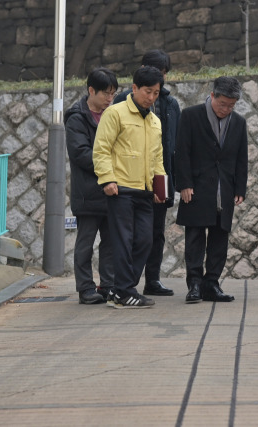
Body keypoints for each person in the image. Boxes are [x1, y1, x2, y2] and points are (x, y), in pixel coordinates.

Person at [93, 66, 166, 308]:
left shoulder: (155, 121)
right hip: (121, 189)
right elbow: (101, 149)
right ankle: (124, 291)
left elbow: (157, 158)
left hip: (145, 191)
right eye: (148, 91)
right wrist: (107, 179)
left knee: (145, 240)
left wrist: (160, 188)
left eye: (156, 93)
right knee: (123, 242)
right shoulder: (115, 113)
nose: (152, 97)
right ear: (134, 88)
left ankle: (121, 289)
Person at [175, 77, 248, 303]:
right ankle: (194, 284)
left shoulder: (238, 123)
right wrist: (184, 184)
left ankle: (212, 283)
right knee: (195, 237)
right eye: (223, 104)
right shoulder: (190, 116)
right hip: (196, 187)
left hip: (224, 189)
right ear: (212, 95)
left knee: (220, 238)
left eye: (231, 105)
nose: (226, 109)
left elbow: (240, 158)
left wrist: (240, 188)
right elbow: (181, 152)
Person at [113, 50, 180, 297]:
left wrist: (170, 183)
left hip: (160, 177)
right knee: (127, 236)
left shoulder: (171, 104)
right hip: (128, 181)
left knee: (155, 234)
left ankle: (152, 280)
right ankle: (121, 285)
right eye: (157, 74)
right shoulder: (121, 102)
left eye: (163, 76)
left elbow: (174, 145)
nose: (159, 83)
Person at [65, 67, 118, 304]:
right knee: (85, 243)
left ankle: (108, 285)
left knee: (110, 242)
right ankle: (85, 288)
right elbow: (81, 154)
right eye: (105, 94)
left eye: (113, 94)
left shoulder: (112, 114)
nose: (110, 99)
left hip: (112, 189)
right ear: (91, 91)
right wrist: (110, 165)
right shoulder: (77, 117)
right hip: (88, 192)